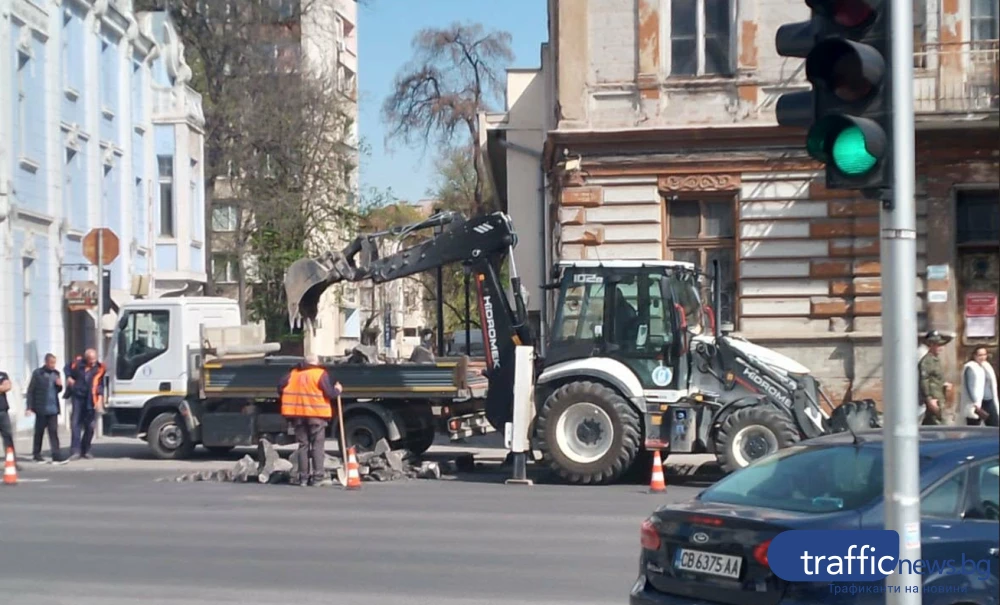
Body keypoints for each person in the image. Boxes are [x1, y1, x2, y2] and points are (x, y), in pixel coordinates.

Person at [278, 354, 342, 487]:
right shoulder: (319, 374)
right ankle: (318, 478)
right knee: (317, 446)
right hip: (316, 416)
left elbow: (280, 388)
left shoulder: (293, 374)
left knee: (303, 446)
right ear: (316, 362)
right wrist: (337, 390)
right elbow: (329, 393)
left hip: (298, 416)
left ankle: (303, 479)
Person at [64, 348, 106, 461]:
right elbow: (66, 368)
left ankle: (86, 449)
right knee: (75, 424)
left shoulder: (100, 368)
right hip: (78, 397)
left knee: (90, 426)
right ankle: (75, 451)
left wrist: (100, 400)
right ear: (86, 358)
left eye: (94, 359)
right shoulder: (77, 363)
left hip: (91, 399)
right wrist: (69, 378)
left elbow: (101, 386)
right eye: (90, 359)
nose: (93, 362)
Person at [25, 354, 67, 463]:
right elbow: (31, 391)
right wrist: (29, 407)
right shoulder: (38, 373)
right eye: (51, 363)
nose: (53, 365)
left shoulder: (56, 373)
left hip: (53, 408)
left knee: (53, 432)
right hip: (41, 407)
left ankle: (56, 455)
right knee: (39, 432)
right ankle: (37, 454)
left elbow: (58, 390)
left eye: (54, 363)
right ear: (46, 362)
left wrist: (60, 385)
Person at [918, 330, 953, 425]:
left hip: (939, 396)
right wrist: (929, 399)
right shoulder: (927, 361)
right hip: (934, 399)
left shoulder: (935, 360)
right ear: (931, 345)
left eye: (941, 345)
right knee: (941, 424)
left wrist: (944, 384)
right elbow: (924, 380)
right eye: (938, 345)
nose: (940, 348)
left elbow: (935, 377)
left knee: (931, 424)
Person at [961, 346, 999, 427]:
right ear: (974, 356)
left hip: (989, 400)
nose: (982, 357)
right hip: (977, 403)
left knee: (994, 425)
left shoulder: (987, 366)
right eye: (980, 355)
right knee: (974, 426)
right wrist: (975, 403)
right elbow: (970, 387)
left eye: (984, 355)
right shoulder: (971, 367)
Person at [0, 368, 15, 468]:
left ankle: (11, 461)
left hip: (2, 411)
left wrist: (3, 387)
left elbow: (7, 386)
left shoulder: (2, 374)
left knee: (8, 436)